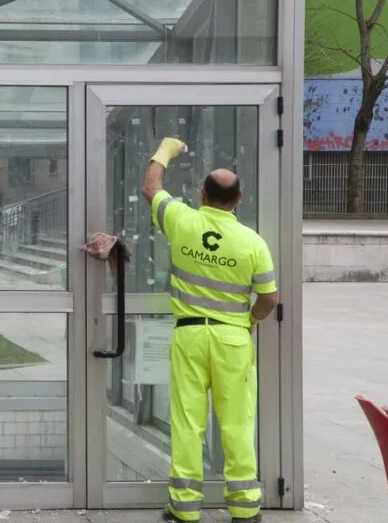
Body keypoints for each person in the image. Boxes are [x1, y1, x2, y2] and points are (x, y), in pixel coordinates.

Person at [140, 138, 278, 523]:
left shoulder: (183, 220)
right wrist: (249, 321)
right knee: (236, 422)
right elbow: (269, 298)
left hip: (189, 336)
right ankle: (245, 507)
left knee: (187, 422)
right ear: (240, 198)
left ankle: (184, 508)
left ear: (202, 194)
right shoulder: (253, 243)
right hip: (233, 339)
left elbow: (150, 188)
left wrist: (166, 150)